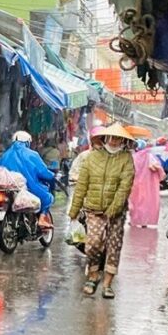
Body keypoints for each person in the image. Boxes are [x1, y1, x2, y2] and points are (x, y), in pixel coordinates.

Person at [68, 123, 135, 299]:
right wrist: (74, 212)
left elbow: (125, 187)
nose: (113, 141)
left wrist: (113, 209)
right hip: (93, 209)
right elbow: (82, 186)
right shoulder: (91, 158)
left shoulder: (126, 159)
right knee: (93, 244)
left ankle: (107, 284)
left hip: (117, 212)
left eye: (117, 138)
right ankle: (93, 275)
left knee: (114, 246)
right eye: (111, 137)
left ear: (123, 140)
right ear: (104, 138)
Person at [0, 130, 55, 229]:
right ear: (27, 142)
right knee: (48, 198)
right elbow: (43, 172)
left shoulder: (5, 155)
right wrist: (52, 175)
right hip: (29, 187)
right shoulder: (32, 154)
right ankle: (41, 219)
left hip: (6, 188)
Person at [129, 142, 163, 227]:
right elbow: (158, 168)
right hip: (148, 184)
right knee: (145, 203)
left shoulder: (133, 157)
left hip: (135, 184)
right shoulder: (150, 156)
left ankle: (134, 221)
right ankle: (144, 222)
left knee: (135, 203)